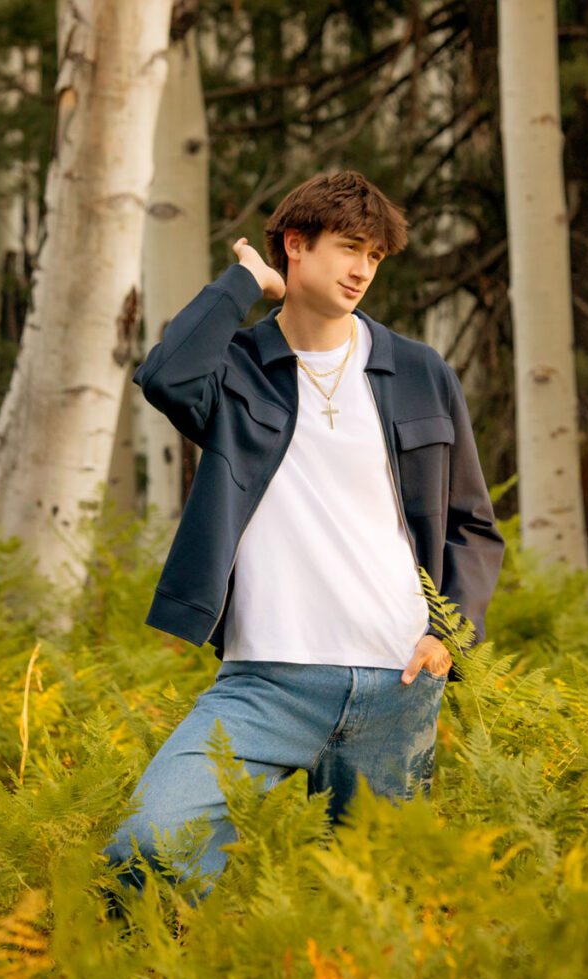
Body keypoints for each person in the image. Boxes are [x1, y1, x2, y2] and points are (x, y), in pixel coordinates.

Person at [102, 170, 505, 903]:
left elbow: (474, 525)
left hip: (398, 685)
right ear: (295, 245)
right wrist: (242, 284)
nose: (362, 271)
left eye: (375, 257)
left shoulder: (418, 372)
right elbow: (164, 375)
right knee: (151, 847)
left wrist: (451, 633)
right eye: (349, 248)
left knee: (371, 910)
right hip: (266, 683)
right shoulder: (237, 370)